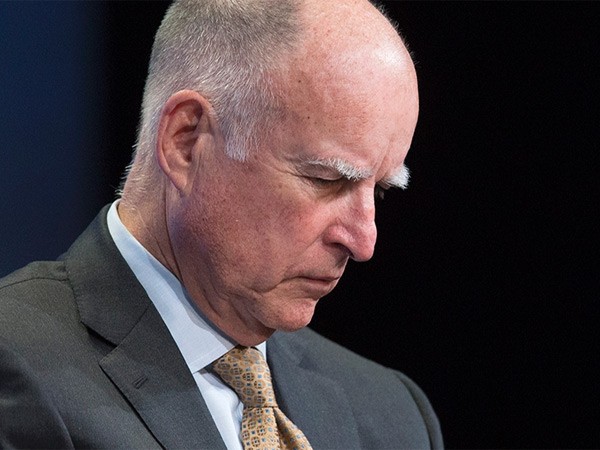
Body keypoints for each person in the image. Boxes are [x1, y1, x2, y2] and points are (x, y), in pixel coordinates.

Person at [0, 0, 442, 448]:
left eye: (380, 190)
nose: (364, 241)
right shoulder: (17, 367)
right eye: (325, 180)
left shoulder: (393, 417)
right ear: (186, 142)